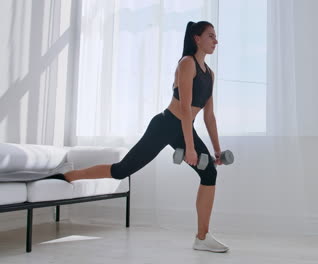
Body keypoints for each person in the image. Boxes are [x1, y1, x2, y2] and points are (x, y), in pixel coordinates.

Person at [62, 21, 229, 253]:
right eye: (210, 36)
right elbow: (183, 109)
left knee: (209, 172)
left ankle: (202, 237)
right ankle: (70, 175)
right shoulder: (187, 64)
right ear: (196, 38)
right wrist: (189, 148)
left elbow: (209, 116)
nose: (215, 41)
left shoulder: (209, 74)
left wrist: (217, 150)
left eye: (215, 36)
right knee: (122, 170)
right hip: (165, 124)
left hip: (184, 127)